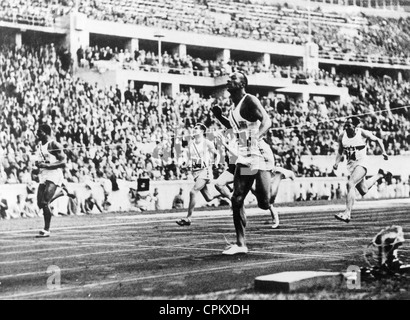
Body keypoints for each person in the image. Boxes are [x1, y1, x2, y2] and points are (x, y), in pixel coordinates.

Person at [211, 71, 277, 255]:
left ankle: (278, 175)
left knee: (264, 203)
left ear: (241, 84)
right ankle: (241, 244)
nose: (228, 80)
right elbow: (234, 128)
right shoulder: (233, 108)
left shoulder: (250, 100)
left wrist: (256, 138)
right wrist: (219, 117)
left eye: (233, 79)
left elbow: (267, 121)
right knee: (236, 198)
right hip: (246, 157)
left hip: (260, 154)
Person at [333, 116, 390, 223]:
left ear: (355, 126)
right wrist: (336, 163)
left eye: (349, 125)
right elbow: (340, 151)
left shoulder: (362, 133)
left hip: (362, 163)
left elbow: (378, 139)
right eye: (345, 124)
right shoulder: (342, 136)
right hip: (351, 166)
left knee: (350, 184)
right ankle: (380, 175)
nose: (346, 127)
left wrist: (384, 152)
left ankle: (347, 213)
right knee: (363, 190)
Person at [176, 123, 220, 226]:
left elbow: (216, 154)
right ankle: (227, 193)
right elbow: (189, 158)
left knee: (193, 192)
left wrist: (215, 164)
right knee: (209, 198)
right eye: (194, 128)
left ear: (202, 131)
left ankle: (188, 218)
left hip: (205, 170)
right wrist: (185, 164)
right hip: (196, 172)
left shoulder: (207, 142)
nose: (194, 130)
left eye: (196, 128)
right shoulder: (191, 144)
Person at [34, 124, 67, 237]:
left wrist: (47, 166)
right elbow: (42, 161)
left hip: (54, 174)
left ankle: (46, 229)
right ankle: (61, 193)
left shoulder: (53, 144)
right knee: (40, 203)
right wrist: (38, 165)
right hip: (44, 174)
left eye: (39, 132)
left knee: (44, 202)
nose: (37, 134)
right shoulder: (39, 145)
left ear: (46, 132)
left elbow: (63, 162)